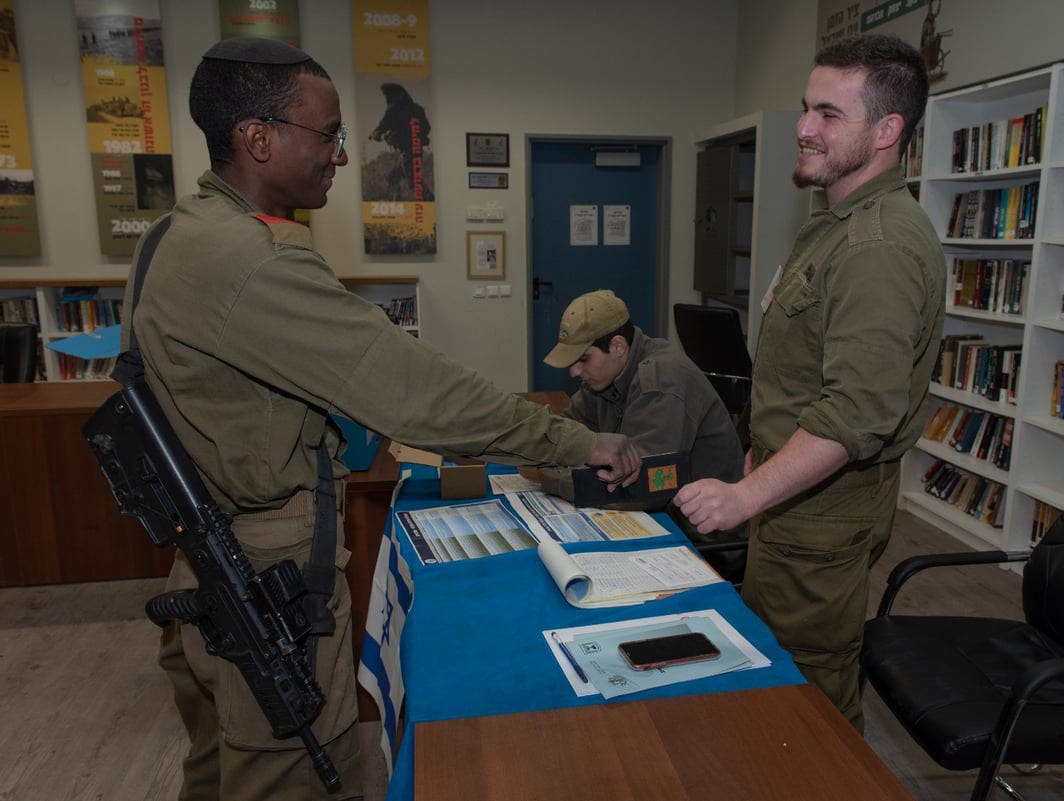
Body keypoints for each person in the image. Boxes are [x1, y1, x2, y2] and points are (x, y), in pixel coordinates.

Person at [123, 38, 640, 800]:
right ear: (258, 137)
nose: (340, 154)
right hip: (270, 569)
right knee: (292, 775)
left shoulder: (176, 233)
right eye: (327, 134)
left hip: (205, 553)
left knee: (218, 767)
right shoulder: (254, 260)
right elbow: (418, 392)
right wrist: (576, 436)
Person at [673, 34, 946, 732]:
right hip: (794, 494)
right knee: (772, 669)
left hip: (820, 514)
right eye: (805, 107)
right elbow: (805, 376)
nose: (802, 127)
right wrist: (761, 460)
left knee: (806, 695)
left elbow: (857, 410)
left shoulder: (876, 246)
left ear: (887, 131)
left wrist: (745, 496)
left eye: (828, 112)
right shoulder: (834, 223)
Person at [541, 289, 746, 578]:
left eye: (583, 359)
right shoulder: (602, 377)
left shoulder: (661, 379)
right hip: (663, 520)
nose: (574, 372)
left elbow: (641, 488)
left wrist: (552, 478)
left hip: (706, 541)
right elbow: (565, 433)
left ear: (618, 346)